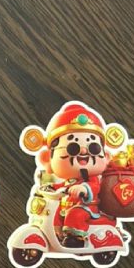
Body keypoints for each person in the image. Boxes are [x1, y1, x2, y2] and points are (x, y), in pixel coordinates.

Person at [36, 103, 111, 248]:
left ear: (106, 156)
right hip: (65, 206)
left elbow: (94, 187)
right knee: (54, 215)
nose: (83, 151)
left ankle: (77, 238)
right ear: (48, 159)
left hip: (86, 207)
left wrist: (83, 189)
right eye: (73, 147)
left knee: (74, 215)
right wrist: (51, 187)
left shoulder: (91, 178)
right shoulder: (69, 180)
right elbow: (63, 186)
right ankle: (56, 235)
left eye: (93, 147)